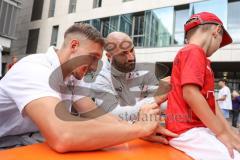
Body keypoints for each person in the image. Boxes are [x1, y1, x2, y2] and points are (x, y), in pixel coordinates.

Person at [0, 23, 164, 152]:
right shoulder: (34, 69)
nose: (94, 67)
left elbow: (97, 115)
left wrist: (135, 129)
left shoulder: (73, 75)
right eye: (92, 58)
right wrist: (139, 130)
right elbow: (63, 135)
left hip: (30, 140)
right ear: (74, 46)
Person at [166, 12, 240, 159]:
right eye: (220, 42)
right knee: (233, 157)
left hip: (196, 129)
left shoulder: (199, 57)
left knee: (235, 147)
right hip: (186, 131)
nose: (219, 46)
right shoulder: (193, 51)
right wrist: (221, 132)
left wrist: (230, 133)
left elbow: (213, 107)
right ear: (217, 31)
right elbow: (190, 93)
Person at [86, 32, 176, 143]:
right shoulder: (100, 79)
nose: (131, 57)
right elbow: (113, 113)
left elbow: (160, 103)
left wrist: (176, 98)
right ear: (109, 56)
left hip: (144, 132)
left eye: (132, 50)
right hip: (119, 139)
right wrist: (155, 99)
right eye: (123, 53)